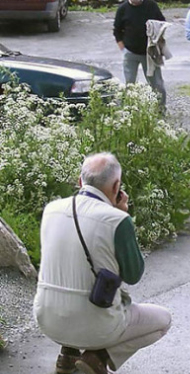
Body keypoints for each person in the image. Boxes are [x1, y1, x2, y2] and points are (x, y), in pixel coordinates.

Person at [34, 152, 171, 374]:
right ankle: (97, 357)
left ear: (80, 182)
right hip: (96, 326)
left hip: (46, 319)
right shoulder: (117, 220)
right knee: (163, 320)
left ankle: (67, 355)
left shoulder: (51, 210)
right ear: (117, 185)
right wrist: (122, 219)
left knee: (70, 272)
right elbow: (133, 275)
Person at [113, 0, 167, 109]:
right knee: (130, 84)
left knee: (157, 84)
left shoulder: (151, 6)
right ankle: (130, 110)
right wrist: (123, 50)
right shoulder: (123, 9)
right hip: (130, 53)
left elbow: (163, 24)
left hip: (149, 53)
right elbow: (117, 31)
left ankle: (160, 109)